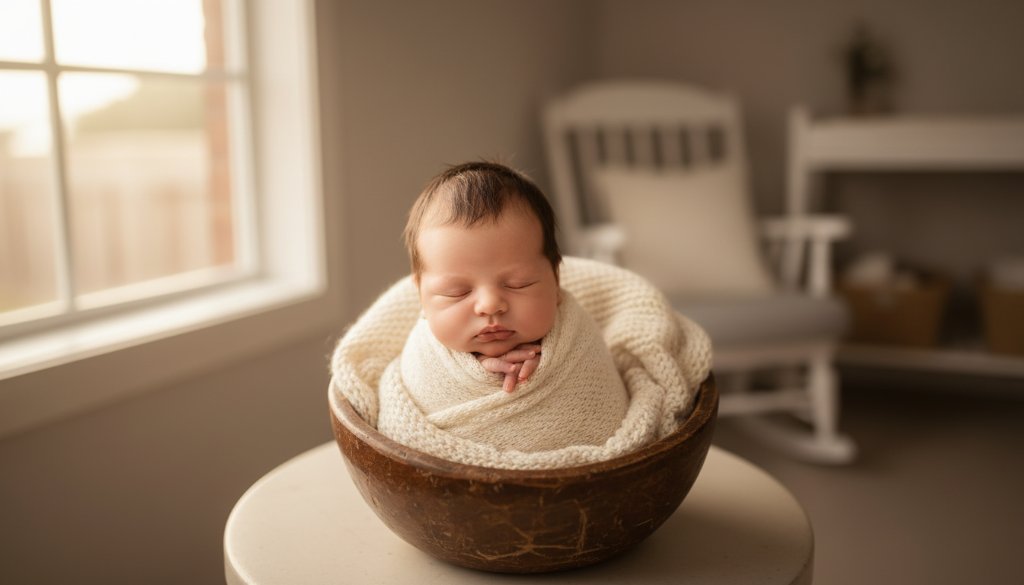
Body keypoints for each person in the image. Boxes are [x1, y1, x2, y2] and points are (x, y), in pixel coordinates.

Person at [403, 161, 562, 393]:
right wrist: (476, 374)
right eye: (457, 292)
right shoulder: (423, 354)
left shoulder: (576, 334)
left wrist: (550, 370)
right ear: (421, 295)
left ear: (556, 280)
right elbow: (419, 386)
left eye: (518, 284)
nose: (490, 305)